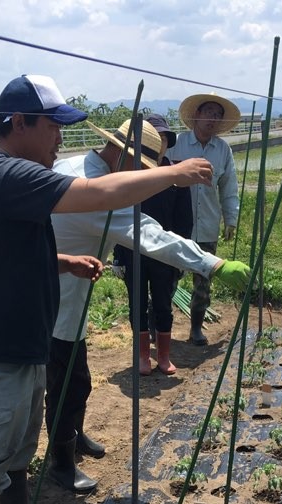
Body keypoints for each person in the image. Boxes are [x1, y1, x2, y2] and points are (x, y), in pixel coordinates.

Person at [0, 74, 218, 504]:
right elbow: (96, 193)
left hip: (22, 342)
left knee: (18, 450)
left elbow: (9, 252)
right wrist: (172, 174)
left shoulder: (21, 174)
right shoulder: (7, 172)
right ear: (19, 123)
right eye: (52, 127)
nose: (59, 141)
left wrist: (63, 261)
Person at [46, 118, 251, 493]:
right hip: (55, 297)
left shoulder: (76, 167)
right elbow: (149, 234)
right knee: (66, 383)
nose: (141, 179)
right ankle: (60, 460)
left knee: (76, 375)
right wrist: (212, 262)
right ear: (121, 153)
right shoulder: (96, 191)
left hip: (69, 288)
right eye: (141, 168)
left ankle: (73, 438)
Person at [113, 113, 193, 376]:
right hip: (132, 250)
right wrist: (117, 256)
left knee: (162, 303)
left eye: (163, 138)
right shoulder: (130, 176)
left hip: (164, 252)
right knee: (136, 302)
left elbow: (184, 220)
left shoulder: (176, 175)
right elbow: (118, 216)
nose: (159, 143)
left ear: (168, 143)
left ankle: (164, 356)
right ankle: (143, 357)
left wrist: (180, 256)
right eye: (153, 138)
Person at [167, 92, 241, 345]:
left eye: (218, 114)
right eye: (208, 111)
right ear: (196, 115)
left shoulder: (222, 150)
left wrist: (231, 219)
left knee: (203, 281)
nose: (213, 118)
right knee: (169, 278)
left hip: (207, 225)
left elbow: (229, 188)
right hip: (177, 226)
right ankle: (160, 327)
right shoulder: (176, 144)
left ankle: (196, 329)